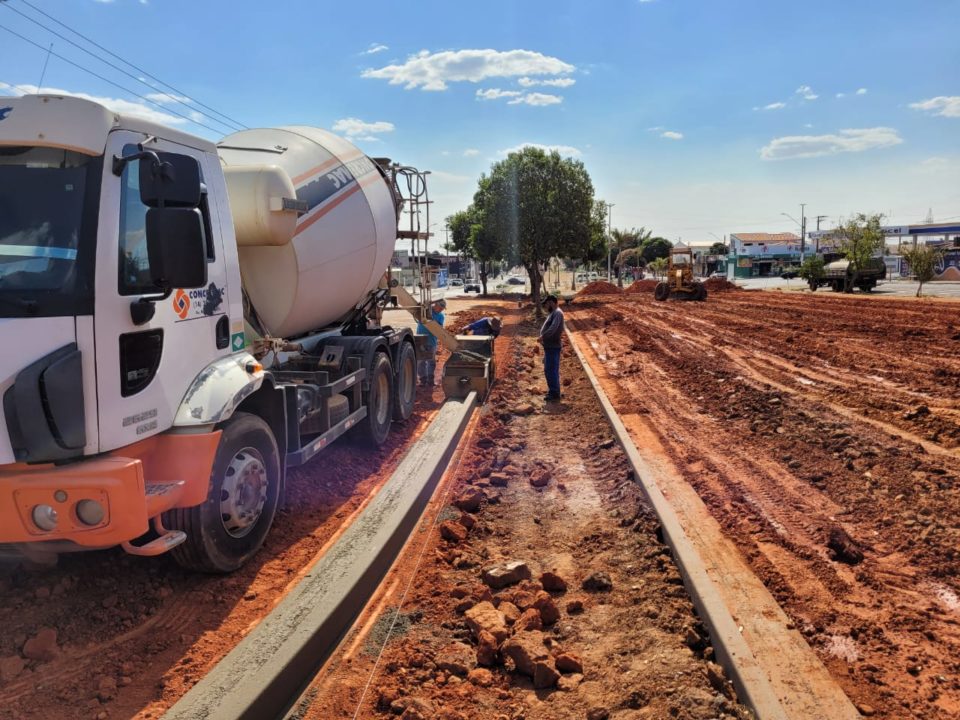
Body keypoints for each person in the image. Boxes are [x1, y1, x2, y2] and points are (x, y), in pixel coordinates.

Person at [538, 295, 564, 401]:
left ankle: (554, 393)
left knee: (550, 370)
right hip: (550, 346)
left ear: (552, 302)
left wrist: (543, 336)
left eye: (547, 303)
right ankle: (554, 391)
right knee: (551, 369)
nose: (546, 306)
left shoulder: (557, 313)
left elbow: (553, 328)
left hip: (553, 346)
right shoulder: (553, 313)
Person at [416, 299, 446, 386]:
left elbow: (439, 328)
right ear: (435, 305)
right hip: (421, 339)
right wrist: (428, 303)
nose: (441, 310)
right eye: (440, 308)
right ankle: (423, 379)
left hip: (432, 340)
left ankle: (430, 380)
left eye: (442, 309)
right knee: (421, 361)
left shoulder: (441, 316)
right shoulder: (426, 311)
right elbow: (420, 306)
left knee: (431, 361)